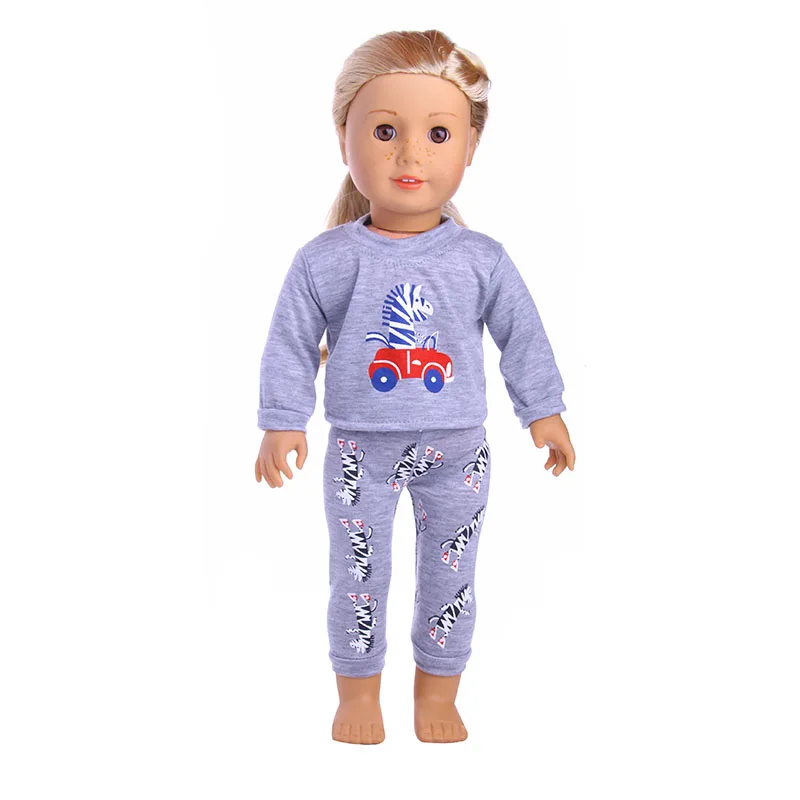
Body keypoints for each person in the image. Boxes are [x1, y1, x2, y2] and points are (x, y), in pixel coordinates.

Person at [254, 29, 576, 745]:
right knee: (357, 573)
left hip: (457, 450)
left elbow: (523, 336)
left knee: (450, 575)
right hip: (358, 452)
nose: (410, 155)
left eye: (437, 134)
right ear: (344, 140)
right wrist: (283, 418)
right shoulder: (325, 259)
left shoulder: (483, 259)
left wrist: (543, 411)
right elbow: (290, 342)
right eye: (384, 131)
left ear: (470, 147)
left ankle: (438, 690)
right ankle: (357, 694)